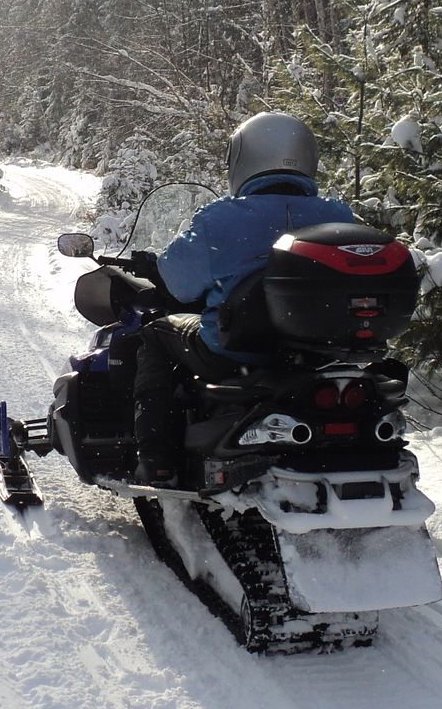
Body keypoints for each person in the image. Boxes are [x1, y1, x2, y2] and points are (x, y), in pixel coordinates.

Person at [130, 112, 353, 485]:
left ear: (244, 158)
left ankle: (157, 457)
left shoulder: (222, 219)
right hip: (316, 353)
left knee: (155, 335)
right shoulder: (338, 214)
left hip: (233, 352)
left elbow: (179, 284)